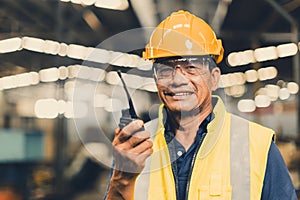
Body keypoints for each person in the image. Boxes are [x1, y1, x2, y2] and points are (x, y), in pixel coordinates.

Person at [104, 10, 297, 200]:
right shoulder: (134, 147)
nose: (177, 79)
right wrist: (121, 181)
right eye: (165, 69)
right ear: (155, 80)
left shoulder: (257, 146)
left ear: (214, 78)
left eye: (191, 67)